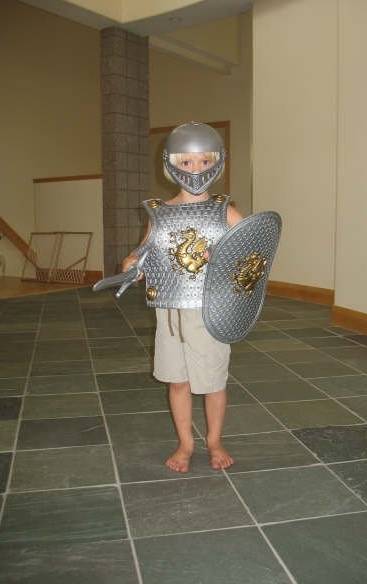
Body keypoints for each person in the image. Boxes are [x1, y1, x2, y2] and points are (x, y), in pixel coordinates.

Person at [122, 122, 242, 473]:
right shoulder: (158, 212)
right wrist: (132, 264)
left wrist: (224, 257)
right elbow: (144, 252)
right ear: (171, 164)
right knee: (178, 381)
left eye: (204, 161)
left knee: (213, 382)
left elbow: (249, 254)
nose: (195, 170)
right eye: (186, 162)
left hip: (209, 312)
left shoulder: (224, 211)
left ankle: (214, 441)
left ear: (217, 162)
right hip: (170, 313)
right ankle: (186, 443)